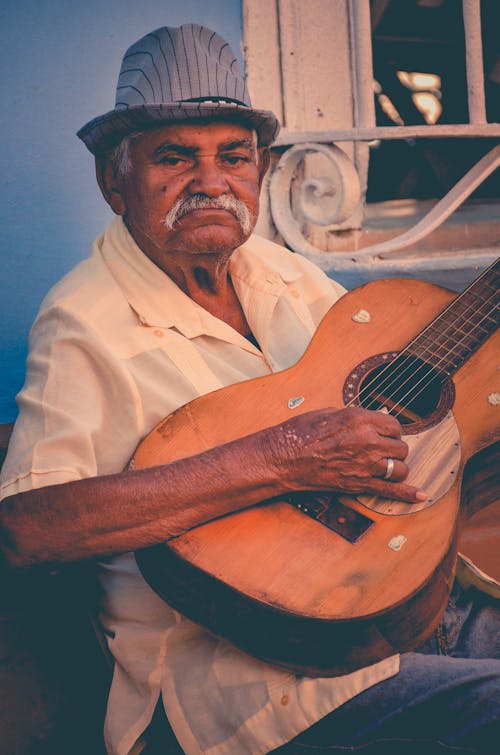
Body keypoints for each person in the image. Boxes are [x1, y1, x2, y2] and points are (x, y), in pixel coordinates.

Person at [0, 23, 498, 755]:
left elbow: (386, 387)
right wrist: (282, 456)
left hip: (396, 594)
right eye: (174, 157)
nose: (211, 181)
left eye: (233, 157)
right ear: (115, 180)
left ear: (260, 172)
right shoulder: (84, 322)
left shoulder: (277, 268)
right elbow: (28, 527)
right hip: (242, 678)